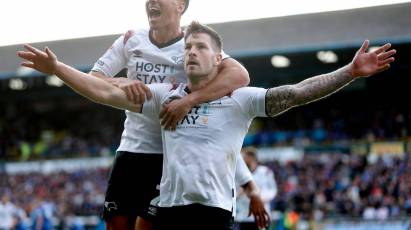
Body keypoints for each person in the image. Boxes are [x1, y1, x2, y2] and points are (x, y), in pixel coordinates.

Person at [17, 20, 395, 229]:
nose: (191, 52)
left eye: (200, 47)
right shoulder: (165, 95)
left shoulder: (241, 100)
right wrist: (58, 69)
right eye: (187, 48)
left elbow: (296, 92)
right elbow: (103, 92)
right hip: (167, 213)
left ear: (218, 59)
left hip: (213, 216)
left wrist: (349, 71)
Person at [89, 0, 249, 229]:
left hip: (170, 154)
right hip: (131, 148)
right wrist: (119, 80)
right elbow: (94, 79)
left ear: (180, 5)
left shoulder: (192, 45)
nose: (151, 2)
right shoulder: (132, 39)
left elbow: (239, 76)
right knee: (116, 225)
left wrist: (189, 101)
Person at [236, 147, 277, 230]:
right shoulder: (238, 174)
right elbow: (234, 194)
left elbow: (273, 190)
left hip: (260, 215)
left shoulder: (265, 172)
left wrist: (260, 198)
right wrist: (239, 194)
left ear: (252, 158)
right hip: (243, 216)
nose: (244, 160)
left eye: (245, 157)